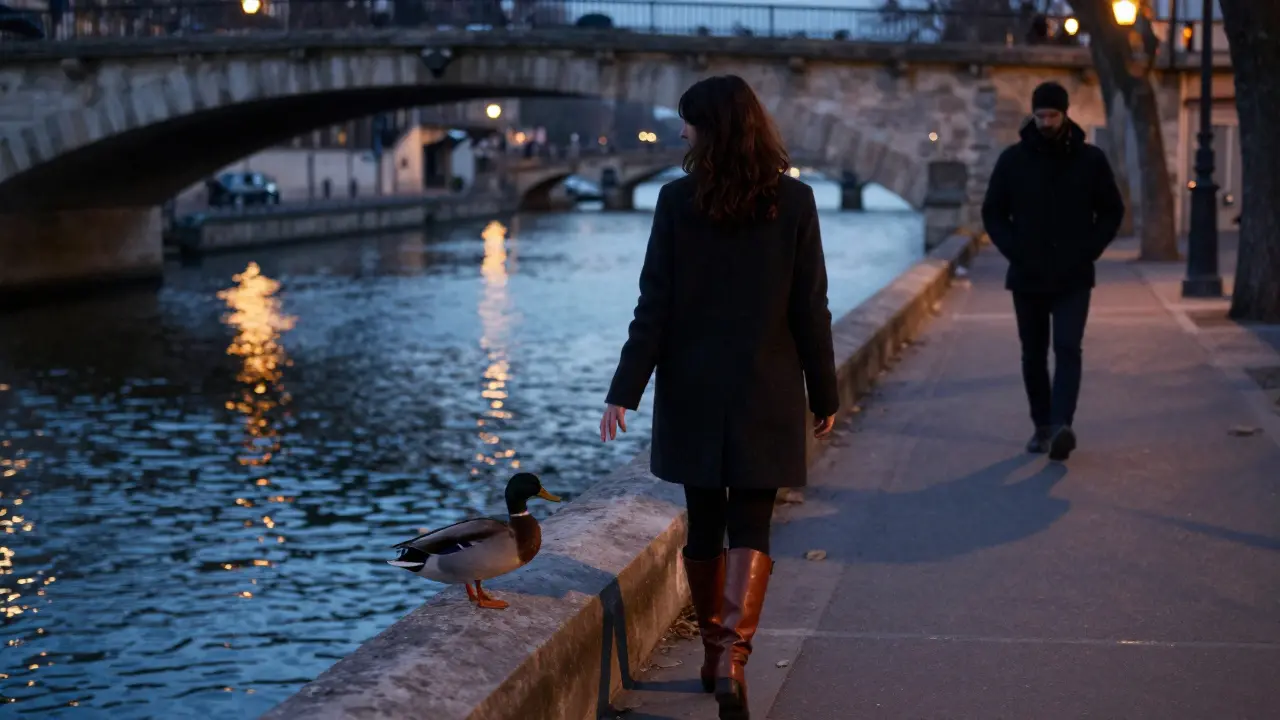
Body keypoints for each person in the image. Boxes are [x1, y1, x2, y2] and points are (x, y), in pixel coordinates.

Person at [599, 75, 839, 720]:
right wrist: (825, 390)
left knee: (705, 521)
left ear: (712, 129)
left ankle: (712, 652)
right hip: (768, 386)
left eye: (689, 122)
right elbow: (809, 309)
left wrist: (625, 388)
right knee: (752, 523)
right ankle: (732, 657)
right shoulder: (795, 202)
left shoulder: (678, 202)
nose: (681, 132)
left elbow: (656, 306)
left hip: (694, 388)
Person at [981, 81, 1125, 462]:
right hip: (1027, 274)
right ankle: (1041, 426)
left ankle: (1062, 424)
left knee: (1067, 347)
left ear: (1065, 114)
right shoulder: (1012, 161)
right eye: (1040, 115)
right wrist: (1014, 249)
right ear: (1033, 114)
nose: (1045, 122)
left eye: (1052, 115)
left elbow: (1112, 210)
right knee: (1032, 354)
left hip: (1073, 274)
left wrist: (1089, 250)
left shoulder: (1090, 160)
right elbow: (992, 212)